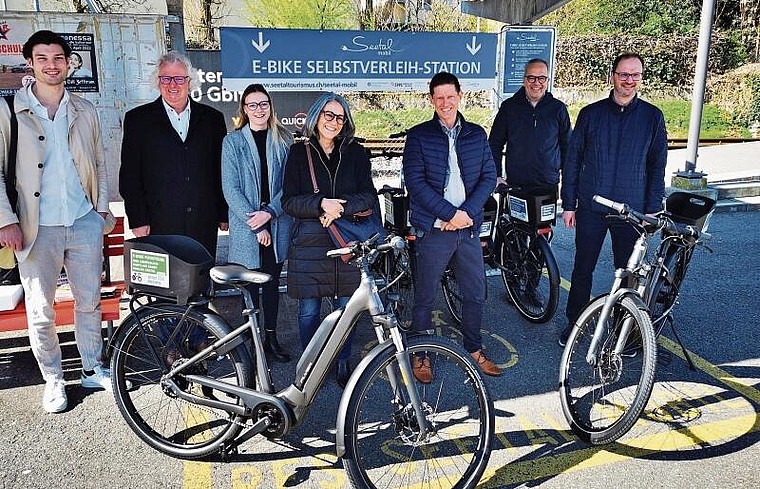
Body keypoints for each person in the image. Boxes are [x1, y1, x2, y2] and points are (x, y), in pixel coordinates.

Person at [0, 30, 115, 413]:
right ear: (30, 64)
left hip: (82, 220)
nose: (52, 65)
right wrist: (5, 220)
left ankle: (92, 367)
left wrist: (100, 210)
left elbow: (98, 163)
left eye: (58, 58)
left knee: (89, 303)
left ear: (68, 63)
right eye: (43, 58)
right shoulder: (9, 111)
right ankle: (53, 378)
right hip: (35, 227)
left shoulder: (84, 109)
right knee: (41, 309)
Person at [559, 53, 668, 345]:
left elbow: (657, 166)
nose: (629, 80)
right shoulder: (590, 114)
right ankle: (575, 323)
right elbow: (572, 161)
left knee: (629, 275)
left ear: (641, 78)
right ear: (612, 77)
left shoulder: (652, 117)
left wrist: (653, 210)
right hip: (592, 208)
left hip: (631, 212)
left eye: (635, 75)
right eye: (624, 74)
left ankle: (624, 330)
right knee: (582, 269)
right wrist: (568, 204)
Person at [403, 71, 502, 382]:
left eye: (450, 96)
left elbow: (489, 176)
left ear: (460, 96)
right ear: (432, 100)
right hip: (434, 230)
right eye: (439, 97)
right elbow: (416, 184)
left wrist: (467, 214)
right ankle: (421, 354)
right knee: (426, 295)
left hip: (467, 228)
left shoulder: (477, 134)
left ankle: (473, 348)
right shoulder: (418, 136)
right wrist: (448, 214)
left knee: (475, 293)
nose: (445, 103)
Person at [281, 92, 377, 388]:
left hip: (346, 240)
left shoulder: (356, 153)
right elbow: (289, 202)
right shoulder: (299, 153)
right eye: (328, 115)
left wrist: (342, 207)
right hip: (310, 245)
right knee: (309, 310)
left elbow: (368, 197)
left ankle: (343, 358)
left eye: (339, 117)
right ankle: (312, 362)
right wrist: (321, 204)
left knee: (345, 308)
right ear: (316, 117)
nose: (333, 122)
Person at [119, 52, 228, 257]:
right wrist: (138, 219)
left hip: (203, 220)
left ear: (190, 81)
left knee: (201, 281)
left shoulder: (213, 119)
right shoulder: (137, 120)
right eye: (166, 78)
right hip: (158, 222)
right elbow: (130, 176)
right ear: (158, 82)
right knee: (164, 285)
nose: (173, 85)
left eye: (179, 78)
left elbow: (220, 170)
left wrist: (224, 213)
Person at [221, 84, 293, 363]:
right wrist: (256, 223)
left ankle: (271, 338)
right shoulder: (233, 142)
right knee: (249, 287)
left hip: (276, 224)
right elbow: (231, 189)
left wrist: (270, 213)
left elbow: (289, 185)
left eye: (263, 104)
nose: (258, 109)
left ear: (270, 107)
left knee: (273, 285)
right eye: (252, 105)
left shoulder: (283, 139)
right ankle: (250, 343)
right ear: (244, 109)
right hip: (247, 227)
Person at [488, 58, 571, 191]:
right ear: (524, 80)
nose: (536, 83)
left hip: (548, 184)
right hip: (516, 185)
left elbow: (567, 147)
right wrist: (496, 175)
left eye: (542, 78)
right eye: (531, 78)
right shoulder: (509, 107)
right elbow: (494, 143)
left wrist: (568, 183)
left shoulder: (558, 109)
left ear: (548, 81)